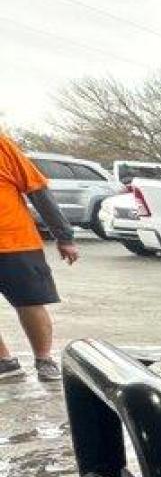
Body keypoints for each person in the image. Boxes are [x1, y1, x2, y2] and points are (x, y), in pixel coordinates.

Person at [0, 133, 79, 383]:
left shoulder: (2, 145)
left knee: (30, 303)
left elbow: (37, 188)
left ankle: (44, 359)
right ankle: (5, 362)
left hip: (14, 242)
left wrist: (64, 235)